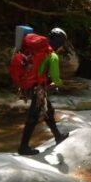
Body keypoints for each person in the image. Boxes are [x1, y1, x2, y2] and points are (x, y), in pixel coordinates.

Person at [18, 27, 70, 156]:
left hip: (28, 83)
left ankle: (57, 136)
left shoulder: (35, 47)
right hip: (38, 87)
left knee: (48, 110)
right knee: (33, 117)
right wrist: (60, 84)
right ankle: (23, 148)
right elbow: (56, 77)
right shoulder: (51, 54)